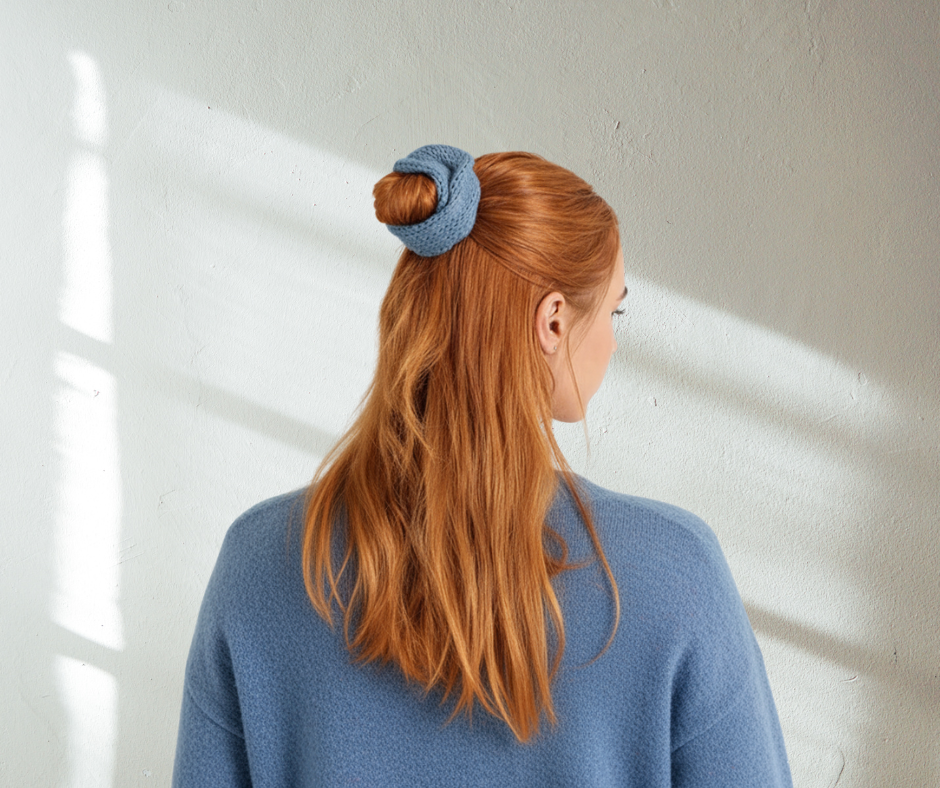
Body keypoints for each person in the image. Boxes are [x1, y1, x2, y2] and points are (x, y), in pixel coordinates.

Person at [172, 145, 793, 786]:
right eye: (615, 310)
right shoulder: (674, 572)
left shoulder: (257, 562)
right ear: (552, 320)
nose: (611, 338)